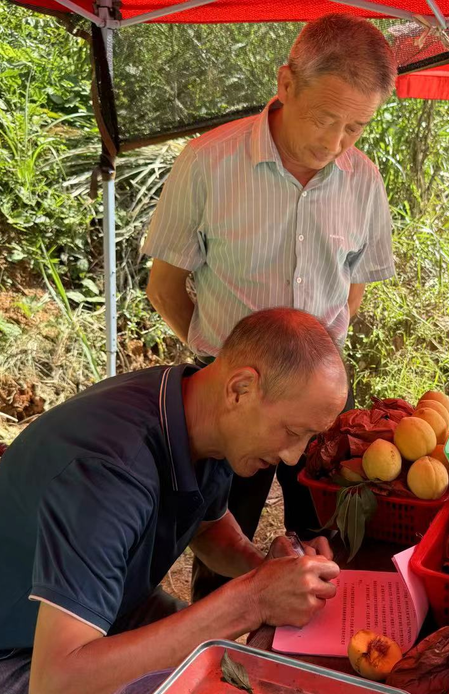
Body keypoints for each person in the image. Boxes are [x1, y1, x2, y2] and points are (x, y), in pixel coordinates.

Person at [0, 308, 348, 694]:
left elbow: (209, 529)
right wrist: (254, 599)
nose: (293, 455)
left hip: (109, 612)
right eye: (291, 432)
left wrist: (265, 568)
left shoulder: (200, 411)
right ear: (241, 388)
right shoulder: (111, 472)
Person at [144, 12, 397, 600]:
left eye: (355, 128)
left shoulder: (363, 179)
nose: (335, 144)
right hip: (236, 395)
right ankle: (217, 652)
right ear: (286, 85)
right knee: (222, 543)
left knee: (328, 537)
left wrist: (322, 358)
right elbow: (165, 286)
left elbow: (357, 282)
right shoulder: (209, 162)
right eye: (323, 118)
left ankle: (311, 653)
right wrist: (222, 361)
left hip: (323, 399)